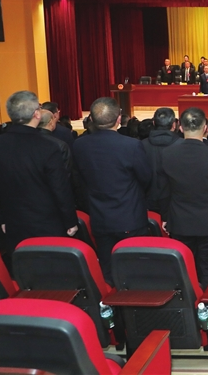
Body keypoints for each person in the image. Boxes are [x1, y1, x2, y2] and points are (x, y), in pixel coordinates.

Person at [73, 97, 152, 283]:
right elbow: (146, 178)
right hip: (130, 217)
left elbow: (79, 180)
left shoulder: (80, 145)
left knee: (107, 271)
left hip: (100, 218)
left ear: (91, 119)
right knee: (134, 270)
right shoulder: (131, 145)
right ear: (118, 119)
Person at [0, 91, 78, 256]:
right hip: (47, 223)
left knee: (22, 266)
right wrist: (70, 221)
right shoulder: (49, 146)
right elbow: (60, 188)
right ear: (36, 114)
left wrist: (2, 218)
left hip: (13, 222)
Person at [161, 108, 208, 289]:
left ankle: (190, 303)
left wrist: (165, 217)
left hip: (180, 223)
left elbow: (163, 191)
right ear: (205, 128)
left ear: (180, 127)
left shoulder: (167, 154)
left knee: (185, 269)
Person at [141, 108, 184, 214]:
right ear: (174, 125)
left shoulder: (141, 145)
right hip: (177, 205)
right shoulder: (184, 145)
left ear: (154, 123)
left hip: (146, 204)